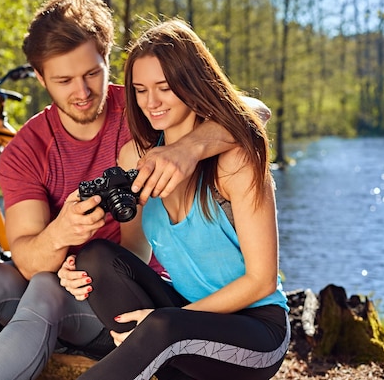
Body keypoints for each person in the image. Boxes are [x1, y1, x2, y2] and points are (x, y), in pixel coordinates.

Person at [0, 0, 252, 380]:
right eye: (63, 81)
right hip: (57, 292)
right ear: (41, 79)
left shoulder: (145, 108)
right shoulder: (27, 148)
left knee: (44, 287)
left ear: (108, 58)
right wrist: (61, 232)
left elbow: (252, 110)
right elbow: (25, 256)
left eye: (92, 73)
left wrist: (188, 149)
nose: (82, 92)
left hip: (133, 298)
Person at [68, 19, 290, 380]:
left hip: (258, 330)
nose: (151, 102)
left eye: (165, 88)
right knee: (94, 258)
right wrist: (81, 274)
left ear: (192, 82)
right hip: (183, 318)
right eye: (140, 90)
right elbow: (135, 250)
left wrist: (172, 322)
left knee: (163, 327)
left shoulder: (234, 160)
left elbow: (262, 281)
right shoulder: (135, 160)